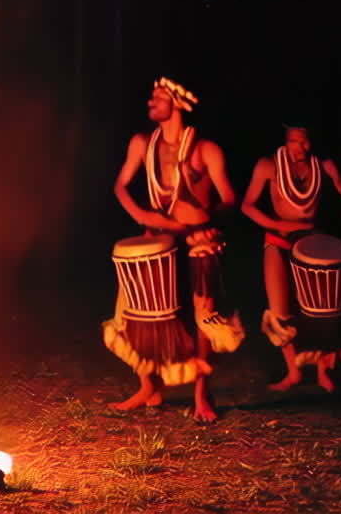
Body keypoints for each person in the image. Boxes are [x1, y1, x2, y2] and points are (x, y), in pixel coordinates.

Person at [108, 76, 243, 423]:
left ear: (178, 104)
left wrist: (210, 219)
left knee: (202, 318)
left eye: (158, 97)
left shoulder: (205, 150)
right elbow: (121, 185)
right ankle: (148, 387)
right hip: (158, 238)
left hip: (197, 240)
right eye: (151, 96)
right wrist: (141, 215)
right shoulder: (142, 143)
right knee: (133, 312)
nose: (150, 102)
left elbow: (230, 199)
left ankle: (201, 395)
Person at [241, 122, 341, 392]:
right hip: (279, 240)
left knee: (321, 309)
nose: (300, 148)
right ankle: (293, 372)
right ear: (285, 141)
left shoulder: (322, 165)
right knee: (280, 311)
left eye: (304, 141)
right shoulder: (268, 166)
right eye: (294, 141)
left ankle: (323, 370)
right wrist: (277, 224)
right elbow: (247, 205)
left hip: (312, 240)